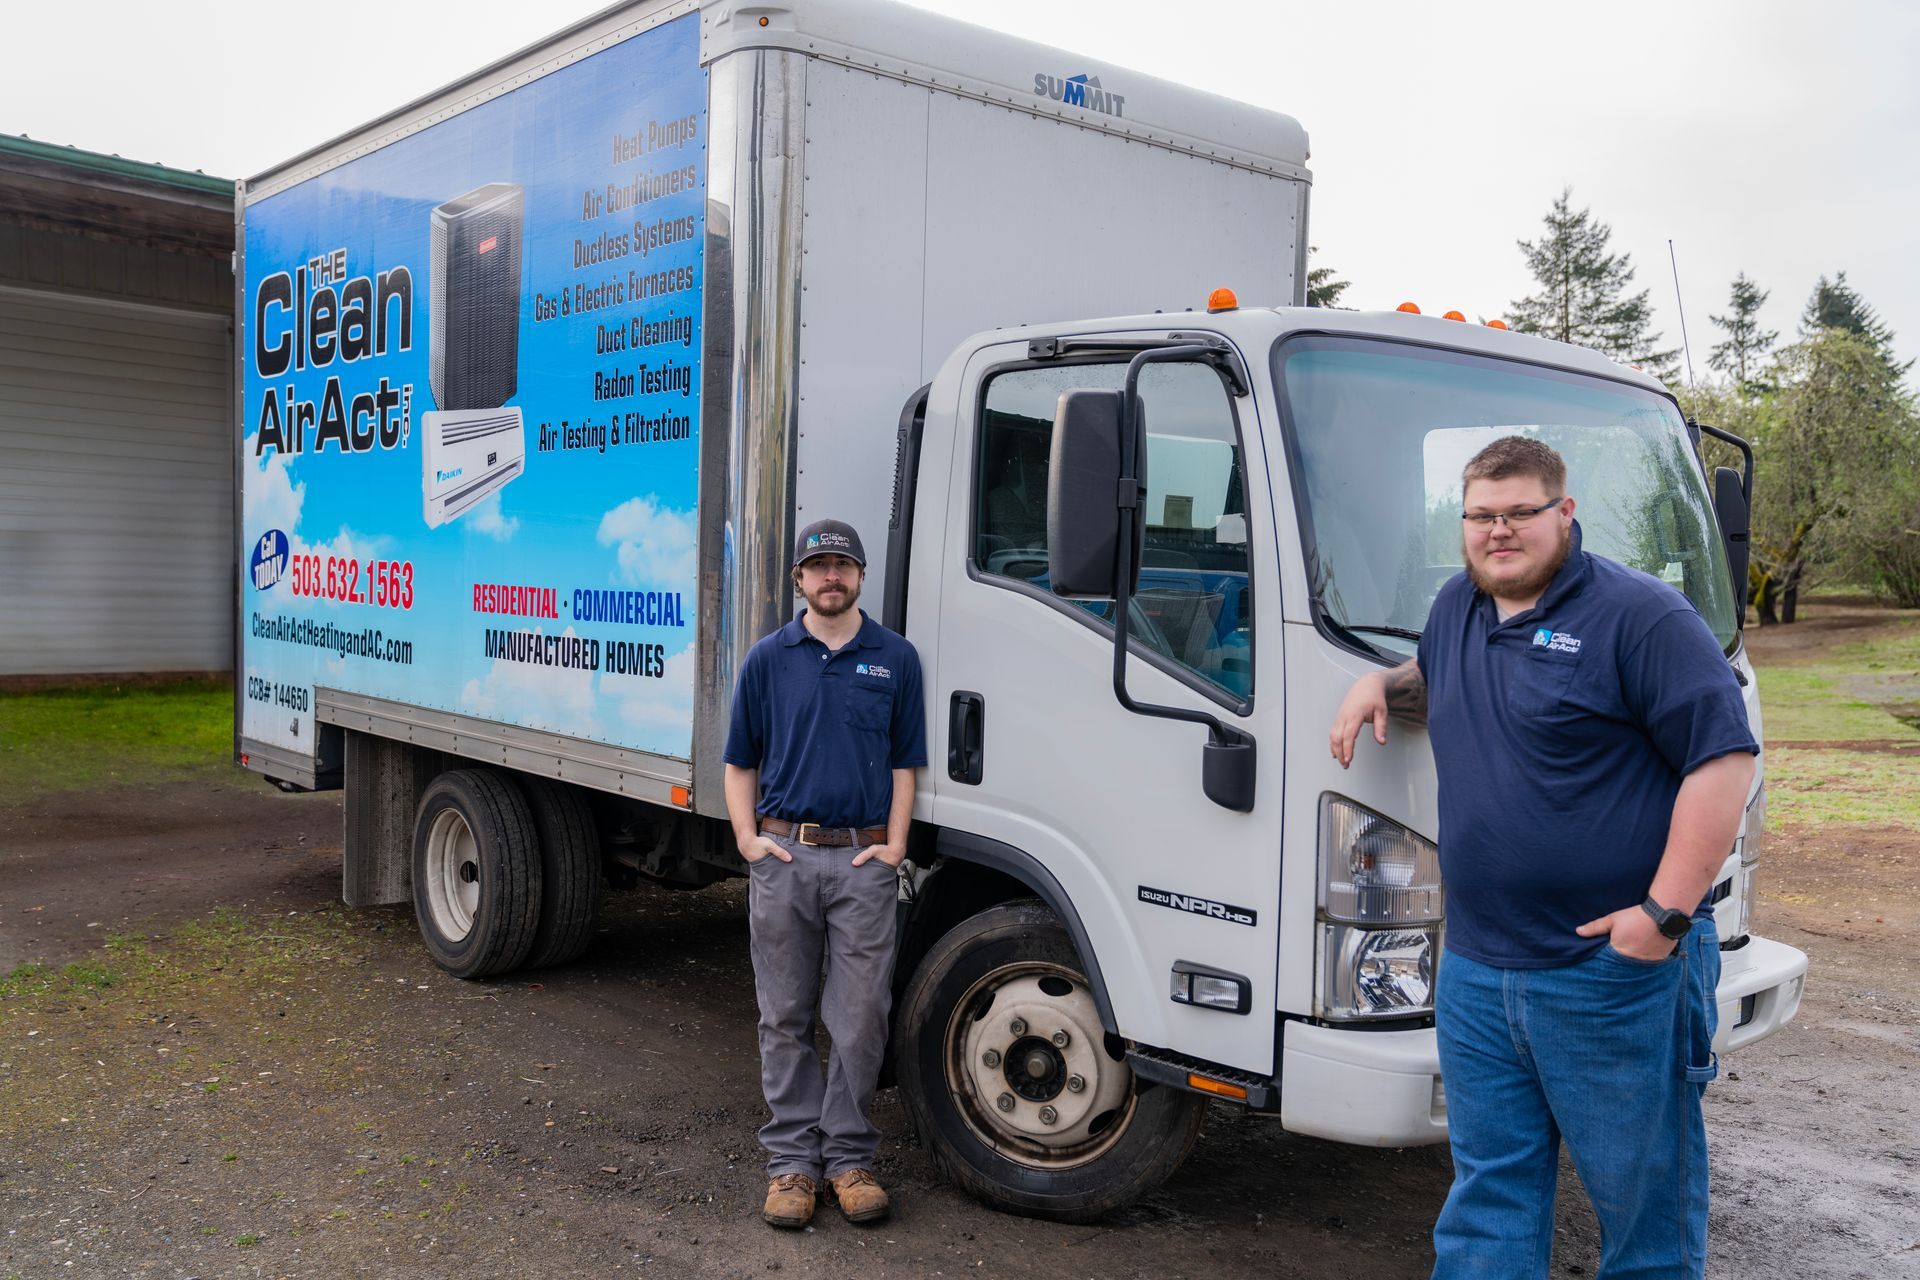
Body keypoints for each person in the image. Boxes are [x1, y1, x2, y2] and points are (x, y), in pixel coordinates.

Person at [1328, 436, 1756, 1279]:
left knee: (1645, 1210)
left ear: (1564, 514)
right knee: (1489, 1201)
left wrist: (1663, 917)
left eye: (1520, 513)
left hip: (1611, 972)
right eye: (1481, 516)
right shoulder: (1457, 607)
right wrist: (1378, 683)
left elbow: (1724, 760)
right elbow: (1443, 675)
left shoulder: (1642, 618)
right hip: (1481, 972)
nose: (1499, 531)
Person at [723, 518, 927, 1229]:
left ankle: (847, 1158)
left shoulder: (895, 658)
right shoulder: (767, 659)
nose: (830, 576)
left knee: (861, 1016)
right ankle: (790, 1166)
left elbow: (907, 763)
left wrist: (896, 845)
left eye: (842, 565)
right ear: (799, 581)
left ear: (860, 576)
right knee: (783, 1014)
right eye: (818, 567)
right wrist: (748, 840)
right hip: (785, 857)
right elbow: (739, 762)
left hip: (863, 862)